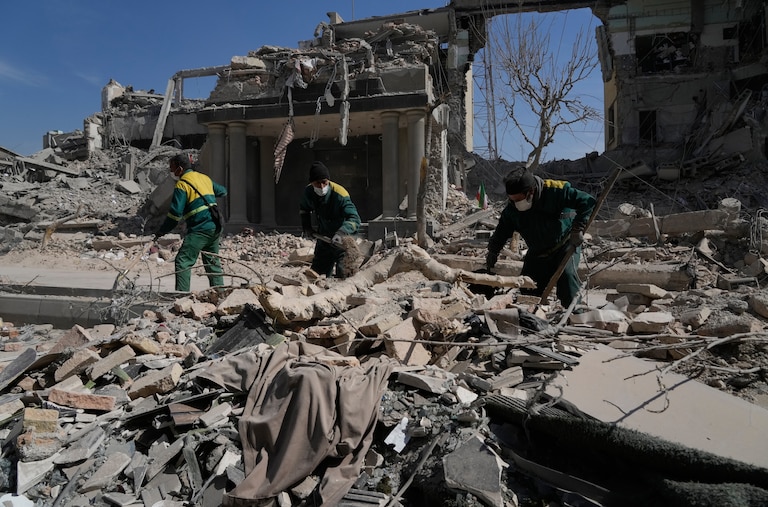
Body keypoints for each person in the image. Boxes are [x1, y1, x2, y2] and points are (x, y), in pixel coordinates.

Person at [486, 166, 596, 308]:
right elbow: (502, 230)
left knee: (567, 281)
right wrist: (493, 251)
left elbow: (587, 201)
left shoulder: (555, 191)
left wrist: (577, 229)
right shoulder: (512, 209)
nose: (516, 204)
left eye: (519, 199)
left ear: (531, 192)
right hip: (537, 252)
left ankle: (575, 316)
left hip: (564, 245)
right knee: (527, 288)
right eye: (512, 200)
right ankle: (529, 320)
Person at [154, 154, 228, 292]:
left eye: (172, 168)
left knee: (183, 261)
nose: (171, 172)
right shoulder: (204, 178)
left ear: (180, 169)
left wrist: (162, 230)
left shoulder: (182, 185)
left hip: (200, 228)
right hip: (215, 226)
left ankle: (181, 298)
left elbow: (175, 214)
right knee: (212, 263)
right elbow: (223, 191)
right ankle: (220, 294)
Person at [299, 161, 361, 277]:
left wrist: (341, 232)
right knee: (316, 275)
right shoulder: (308, 192)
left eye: (324, 182)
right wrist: (307, 226)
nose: (321, 187)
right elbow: (304, 209)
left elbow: (355, 219)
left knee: (344, 276)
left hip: (343, 241)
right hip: (324, 238)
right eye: (317, 183)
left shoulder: (340, 194)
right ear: (312, 183)